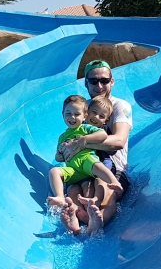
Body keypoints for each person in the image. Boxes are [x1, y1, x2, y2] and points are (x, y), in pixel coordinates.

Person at [60, 60, 132, 234]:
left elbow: (119, 141)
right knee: (75, 194)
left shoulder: (120, 106)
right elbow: (69, 136)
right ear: (86, 83)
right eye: (93, 81)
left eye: (104, 81)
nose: (99, 86)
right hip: (82, 166)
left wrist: (81, 142)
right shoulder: (81, 109)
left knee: (106, 193)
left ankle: (97, 224)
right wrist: (65, 150)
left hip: (112, 167)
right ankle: (76, 221)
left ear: (112, 81)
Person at [47, 95, 123, 235]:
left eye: (77, 114)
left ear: (84, 116)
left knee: (95, 183)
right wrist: (60, 153)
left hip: (87, 163)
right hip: (74, 170)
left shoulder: (86, 129)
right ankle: (73, 216)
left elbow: (105, 136)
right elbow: (58, 157)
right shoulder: (63, 136)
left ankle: (96, 208)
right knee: (68, 187)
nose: (72, 117)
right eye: (68, 114)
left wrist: (84, 140)